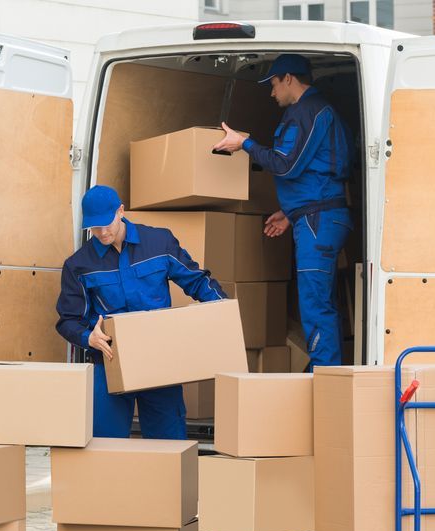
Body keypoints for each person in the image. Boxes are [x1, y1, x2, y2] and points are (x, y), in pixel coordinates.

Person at [212, 53, 353, 368]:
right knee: (322, 301)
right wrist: (290, 213)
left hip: (318, 222)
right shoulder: (323, 112)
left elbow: (284, 164)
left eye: (274, 84)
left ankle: (324, 377)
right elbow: (319, 170)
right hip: (319, 216)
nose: (272, 93)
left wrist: (244, 144)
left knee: (315, 304)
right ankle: (326, 369)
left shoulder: (305, 112)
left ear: (289, 79)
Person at [55, 185, 226, 439]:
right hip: (110, 360)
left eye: (106, 224)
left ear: (120, 211)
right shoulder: (79, 265)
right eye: (94, 227)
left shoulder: (160, 242)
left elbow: (197, 281)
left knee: (168, 443)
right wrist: (87, 337)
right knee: (104, 443)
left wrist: (222, 309)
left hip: (159, 360)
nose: (101, 233)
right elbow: (68, 320)